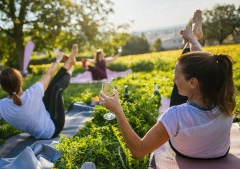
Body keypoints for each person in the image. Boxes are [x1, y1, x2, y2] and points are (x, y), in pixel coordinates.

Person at [98, 10, 236, 161]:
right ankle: (193, 39)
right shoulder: (226, 98)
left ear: (192, 83)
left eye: (176, 77)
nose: (174, 81)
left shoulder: (174, 116)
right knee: (202, 69)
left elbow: (139, 151)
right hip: (218, 151)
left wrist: (118, 111)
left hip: (185, 153)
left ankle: (193, 38)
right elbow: (206, 68)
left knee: (189, 81)